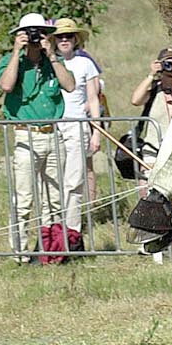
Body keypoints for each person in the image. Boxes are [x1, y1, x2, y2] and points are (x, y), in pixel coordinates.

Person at [0, 12, 75, 261]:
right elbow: (6, 86)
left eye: (38, 33)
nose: (34, 38)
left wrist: (51, 54)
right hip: (26, 136)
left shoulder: (52, 62)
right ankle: (19, 252)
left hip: (52, 134)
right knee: (25, 197)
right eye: (29, 33)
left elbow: (70, 85)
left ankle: (51, 249)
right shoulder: (13, 61)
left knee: (54, 197)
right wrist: (16, 51)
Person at [53, 18, 101, 240]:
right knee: (53, 182)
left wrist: (96, 131)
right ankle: (52, 231)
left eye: (68, 36)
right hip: (52, 126)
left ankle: (72, 233)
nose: (64, 40)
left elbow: (93, 99)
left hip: (77, 125)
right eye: (60, 37)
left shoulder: (85, 64)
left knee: (74, 182)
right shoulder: (49, 63)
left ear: (75, 40)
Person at [129, 48, 172, 174]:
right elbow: (135, 100)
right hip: (153, 148)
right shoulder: (153, 90)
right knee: (148, 188)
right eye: (166, 63)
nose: (169, 67)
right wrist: (151, 75)